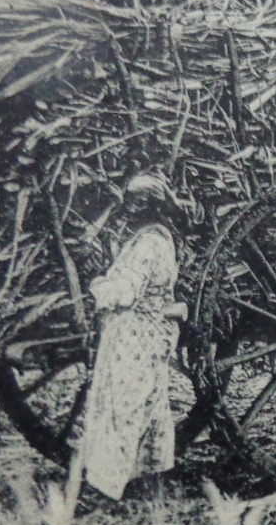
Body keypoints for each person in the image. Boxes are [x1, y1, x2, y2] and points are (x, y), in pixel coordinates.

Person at [73, 173, 189, 501]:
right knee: (150, 404)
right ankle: (150, 477)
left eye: (136, 203)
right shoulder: (158, 239)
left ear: (151, 206)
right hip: (151, 333)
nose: (128, 209)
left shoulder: (148, 244)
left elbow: (125, 293)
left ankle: (107, 487)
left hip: (134, 334)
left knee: (121, 406)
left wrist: (95, 284)